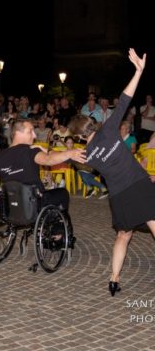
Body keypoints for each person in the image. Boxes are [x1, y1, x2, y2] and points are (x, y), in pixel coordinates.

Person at [68, 48, 155, 296]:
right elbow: (125, 98)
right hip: (138, 184)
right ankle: (114, 278)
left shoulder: (88, 155)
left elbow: (74, 158)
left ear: (79, 136)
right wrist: (138, 71)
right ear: (92, 123)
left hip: (118, 196)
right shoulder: (107, 130)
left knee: (123, 236)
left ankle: (114, 280)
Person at [0, 119, 85, 219]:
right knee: (63, 193)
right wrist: (69, 153)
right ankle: (57, 228)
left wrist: (4, 202)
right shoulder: (31, 151)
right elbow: (49, 160)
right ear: (18, 133)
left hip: (14, 206)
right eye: (30, 131)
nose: (34, 135)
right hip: (35, 204)